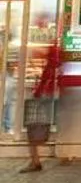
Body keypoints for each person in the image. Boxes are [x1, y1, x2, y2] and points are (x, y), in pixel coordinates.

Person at [22, 42, 60, 172]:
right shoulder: (55, 67)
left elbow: (43, 86)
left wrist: (36, 93)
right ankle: (35, 160)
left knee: (32, 131)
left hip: (42, 102)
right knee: (37, 131)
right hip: (47, 102)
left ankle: (35, 161)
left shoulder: (50, 68)